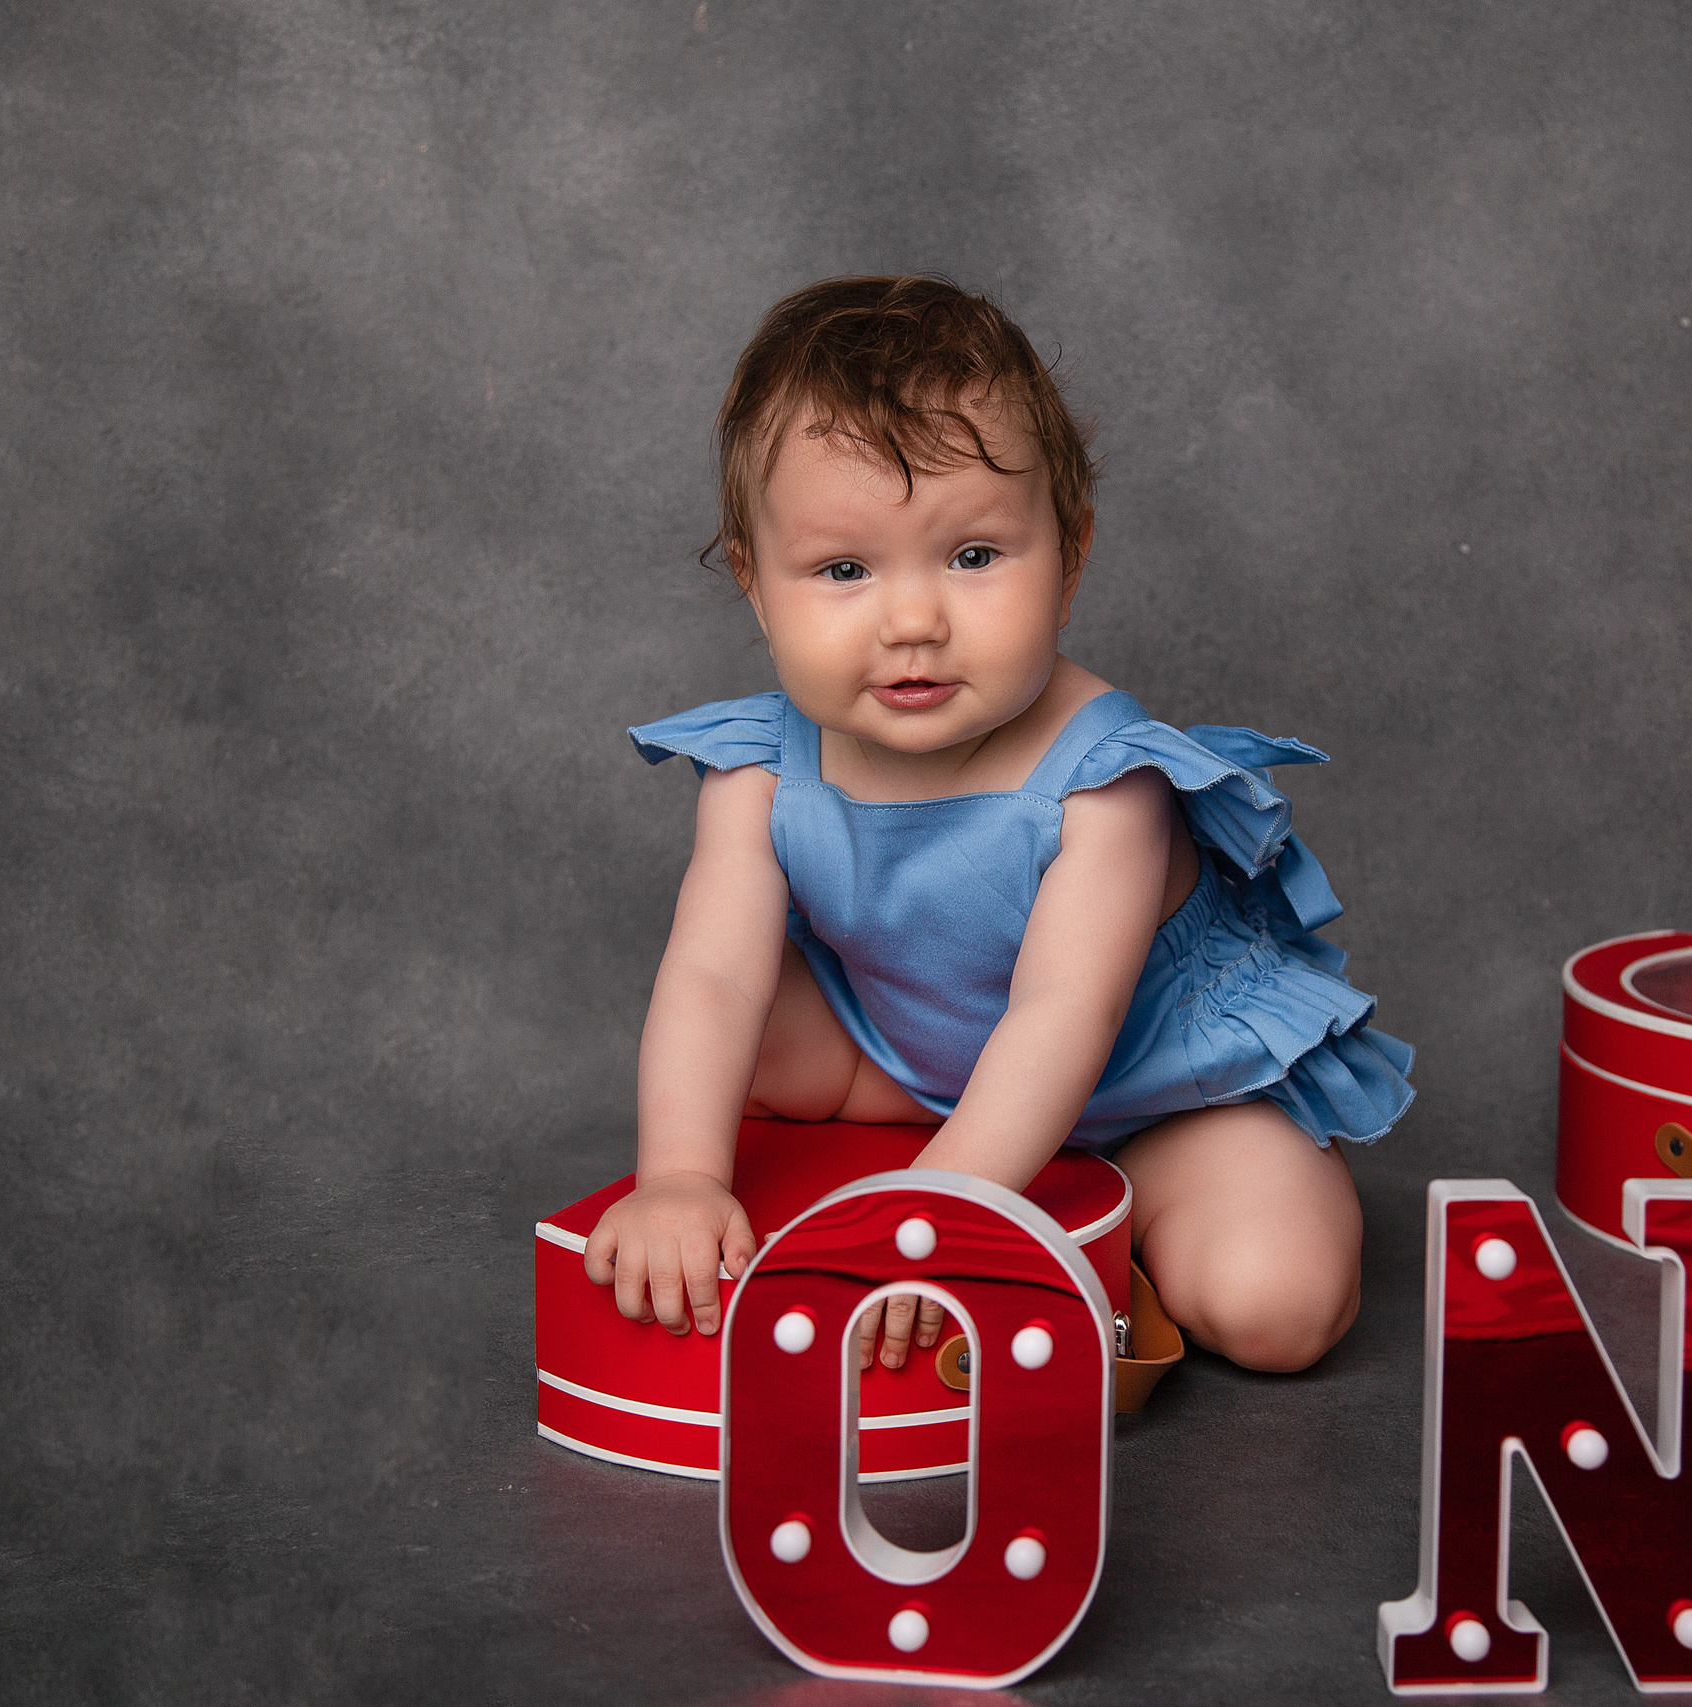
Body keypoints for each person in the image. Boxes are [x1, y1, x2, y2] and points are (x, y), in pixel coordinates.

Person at [584, 275, 1412, 1377]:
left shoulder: (1105, 782)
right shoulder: (755, 770)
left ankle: (1113, 1239)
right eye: (842, 570)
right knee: (725, 1011)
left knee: (1275, 1307)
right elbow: (714, 978)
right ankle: (962, 1179)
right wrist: (679, 1175)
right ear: (754, 585)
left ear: (1067, 559)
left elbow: (1065, 1013)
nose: (915, 621)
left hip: (1150, 1096)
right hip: (900, 1064)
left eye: (973, 556)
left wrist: (938, 1213)